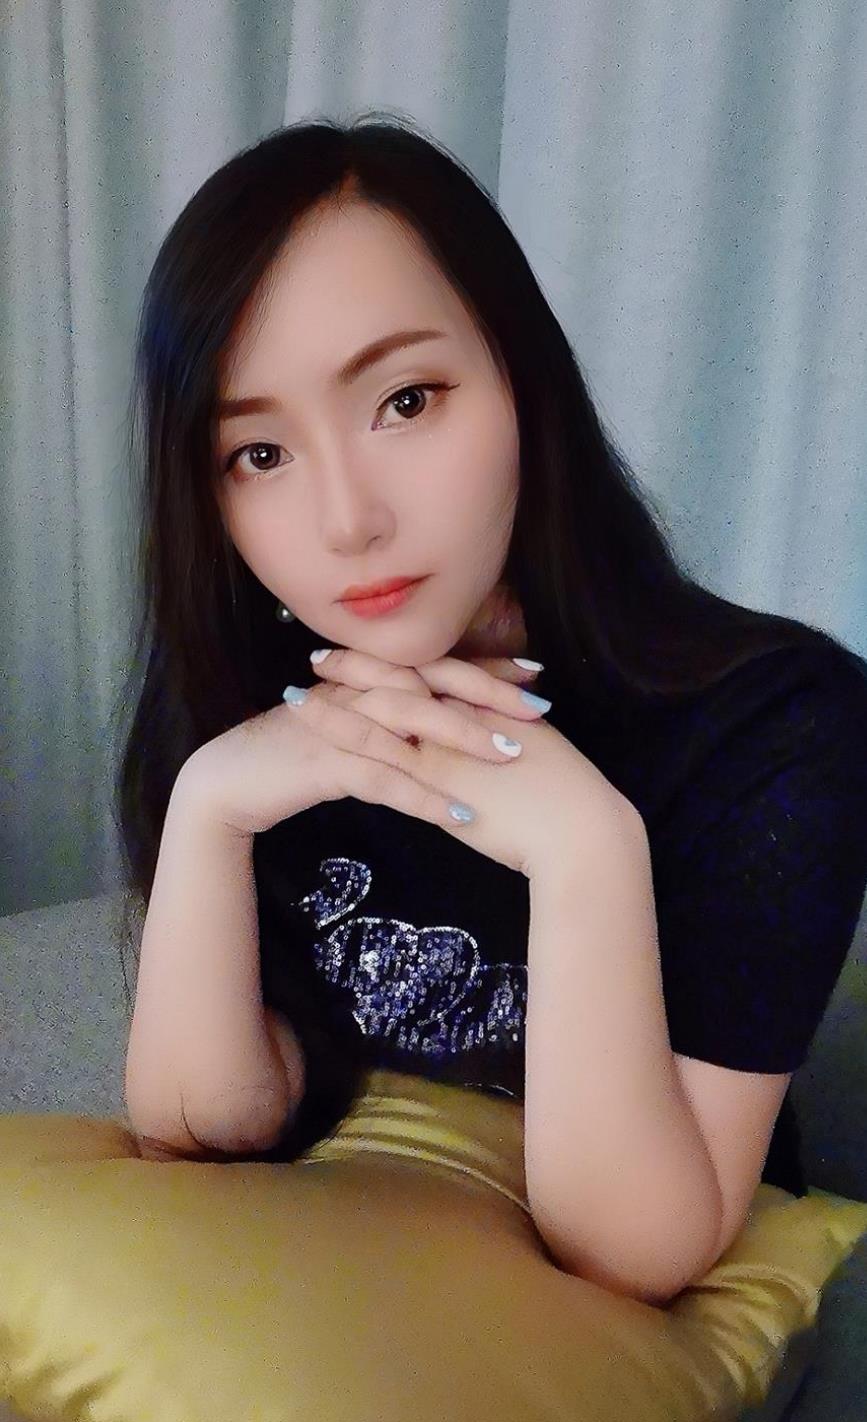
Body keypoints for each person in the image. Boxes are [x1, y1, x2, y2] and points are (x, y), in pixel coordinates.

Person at [104, 103, 865, 1325]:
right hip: (340, 1315)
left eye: (406, 400)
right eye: (259, 454)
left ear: (522, 381)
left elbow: (636, 1253)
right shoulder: (247, 702)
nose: (348, 519)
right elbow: (204, 1127)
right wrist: (207, 811)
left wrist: (586, 851)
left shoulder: (777, 723)